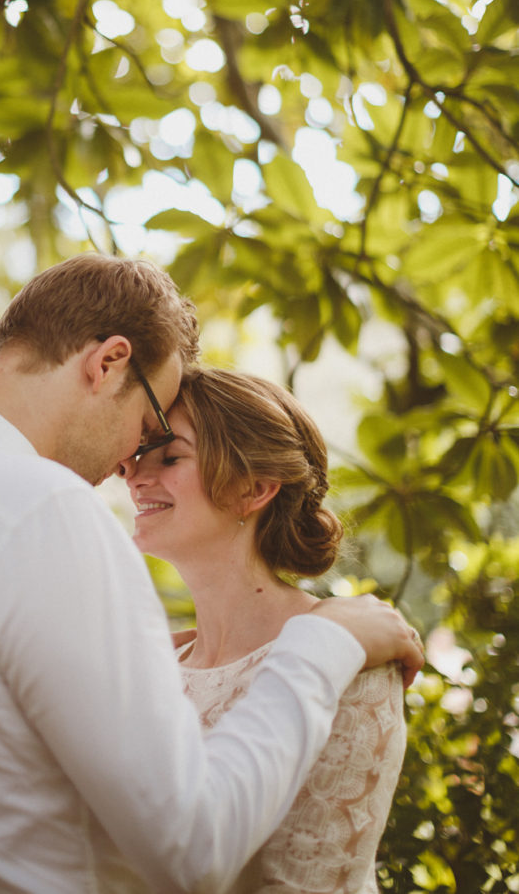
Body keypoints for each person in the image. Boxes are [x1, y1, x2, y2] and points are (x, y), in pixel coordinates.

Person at [0, 253, 422, 894]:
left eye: (161, 446)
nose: (129, 462)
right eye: (148, 424)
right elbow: (191, 847)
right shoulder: (41, 510)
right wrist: (322, 645)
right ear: (108, 361)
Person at [123, 365, 410, 893]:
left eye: (169, 455)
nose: (133, 474)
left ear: (253, 488)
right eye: (139, 453)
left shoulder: (355, 660)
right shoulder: (147, 667)